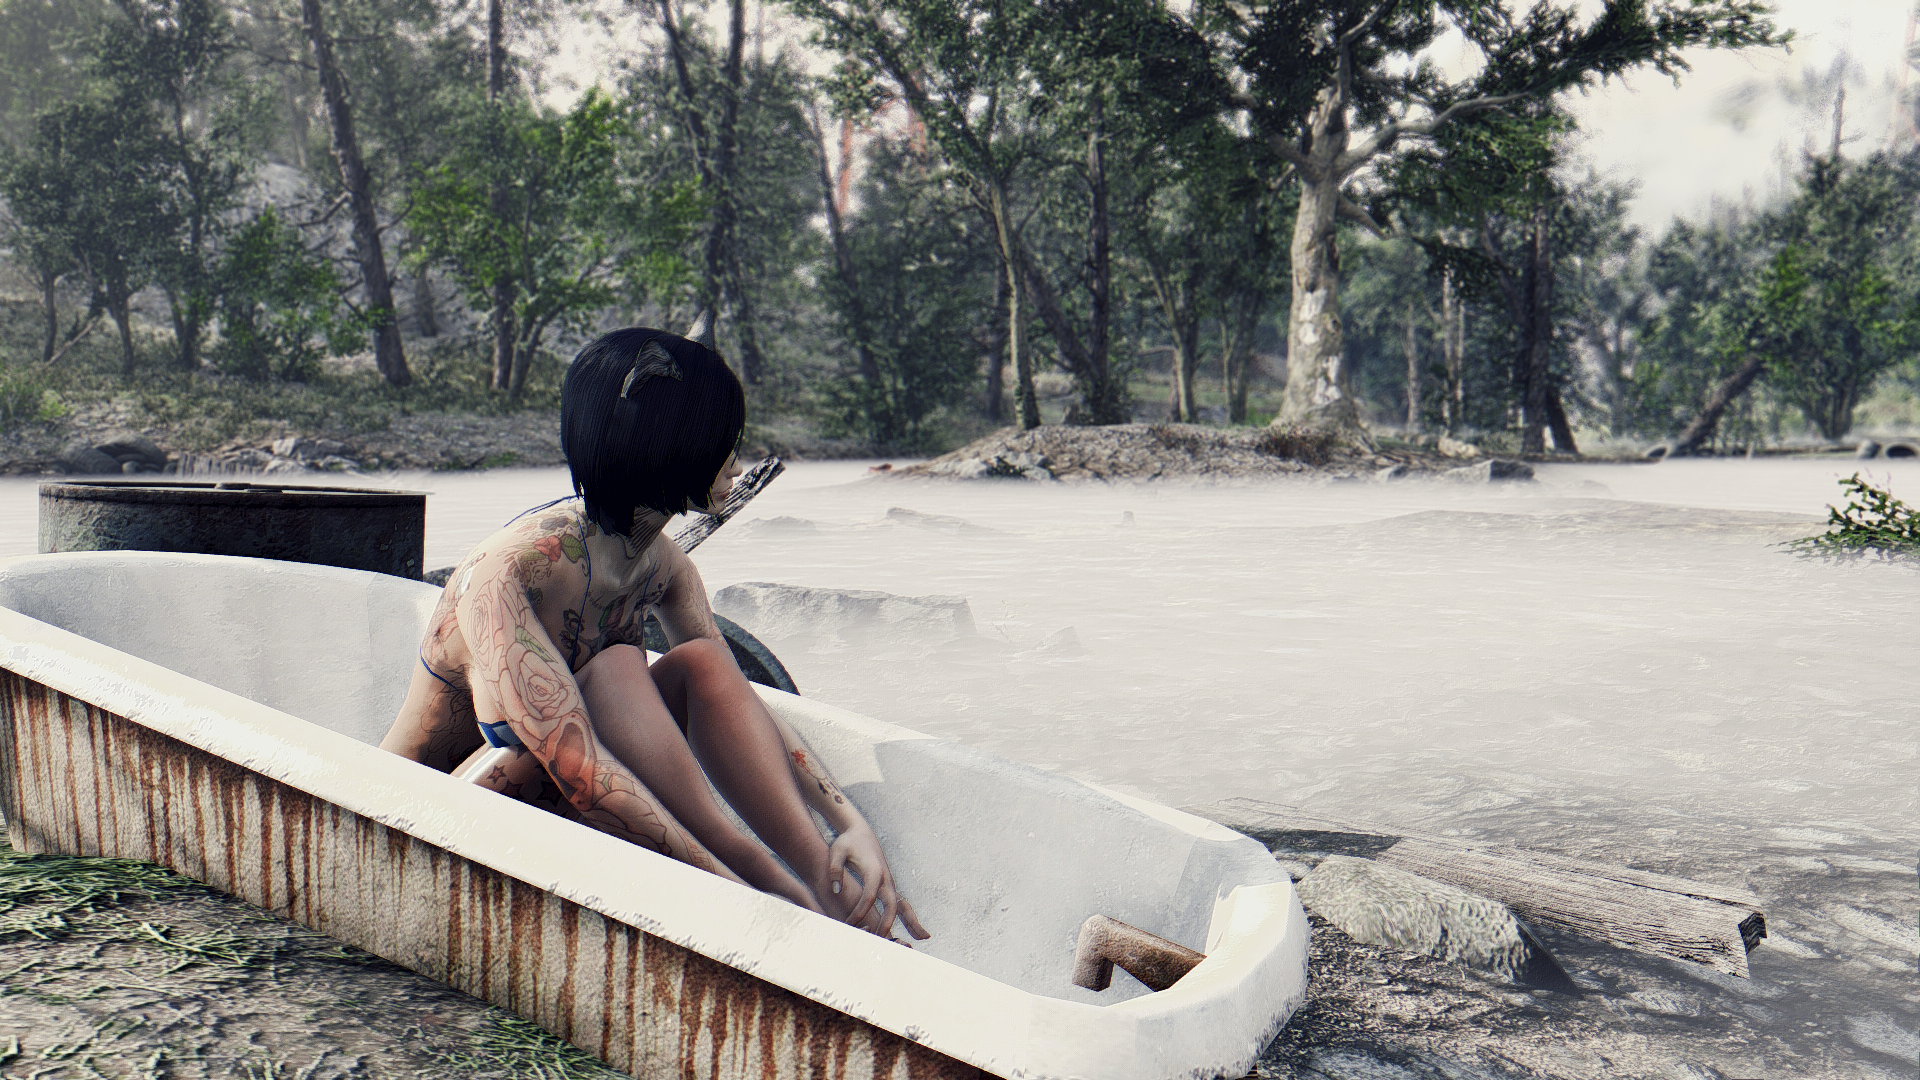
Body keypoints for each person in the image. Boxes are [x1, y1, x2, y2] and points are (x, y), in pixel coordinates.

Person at [380, 327, 927, 941]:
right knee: (608, 677)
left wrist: (848, 822)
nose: (736, 464)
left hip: (561, 807)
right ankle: (795, 902)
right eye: (722, 444)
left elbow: (739, 700)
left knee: (697, 663)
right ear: (667, 446)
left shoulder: (665, 568)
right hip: (428, 819)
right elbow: (581, 771)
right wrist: (747, 884)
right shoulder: (510, 571)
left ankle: (829, 892)